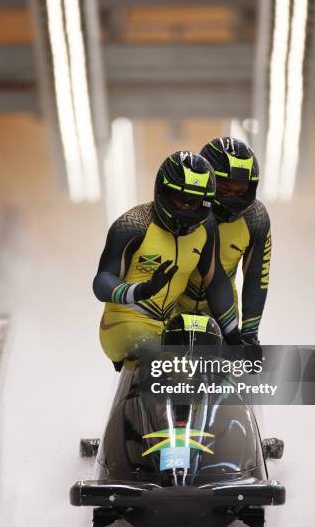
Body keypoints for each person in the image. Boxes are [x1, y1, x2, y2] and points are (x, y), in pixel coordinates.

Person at [93, 151, 240, 371]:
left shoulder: (207, 227)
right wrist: (141, 290)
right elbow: (102, 282)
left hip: (169, 329)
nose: (188, 207)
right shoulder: (132, 226)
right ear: (163, 193)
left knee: (210, 361)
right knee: (170, 366)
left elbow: (215, 281)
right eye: (181, 199)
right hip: (123, 323)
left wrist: (233, 335)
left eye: (195, 201)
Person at [177, 137, 271, 345]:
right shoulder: (178, 206)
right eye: (224, 190)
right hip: (171, 307)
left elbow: (256, 277)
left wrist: (249, 333)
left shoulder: (256, 218)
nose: (232, 199)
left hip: (223, 314)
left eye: (240, 192)